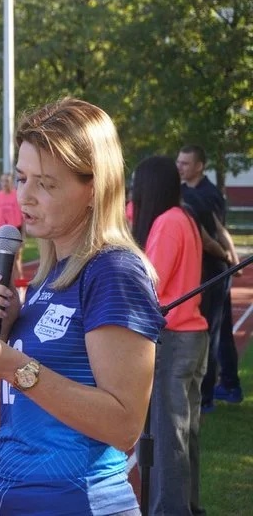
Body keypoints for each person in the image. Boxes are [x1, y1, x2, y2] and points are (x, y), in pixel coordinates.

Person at [0, 98, 165, 515]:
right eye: (22, 178)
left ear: (93, 187)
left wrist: (11, 365)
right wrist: (2, 336)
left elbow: (124, 425)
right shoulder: (48, 277)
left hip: (80, 501)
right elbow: (3, 416)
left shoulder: (114, 272)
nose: (24, 197)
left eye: (46, 183)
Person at [131, 155, 209, 516]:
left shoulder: (167, 222)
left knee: (167, 436)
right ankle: (187, 507)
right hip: (192, 336)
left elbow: (150, 281)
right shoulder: (185, 218)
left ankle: (170, 511)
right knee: (184, 432)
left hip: (175, 338)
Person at [176, 145, 244, 410]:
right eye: (178, 162)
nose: (179, 166)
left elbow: (215, 232)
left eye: (185, 163)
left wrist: (230, 260)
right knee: (220, 329)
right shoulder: (183, 191)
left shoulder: (208, 194)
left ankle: (210, 396)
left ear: (200, 166)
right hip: (209, 268)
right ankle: (229, 384)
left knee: (212, 331)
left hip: (213, 270)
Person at [0, 173, 25, 279]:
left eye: (7, 181)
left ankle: (20, 285)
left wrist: (23, 236)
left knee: (16, 260)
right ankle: (6, 285)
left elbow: (23, 219)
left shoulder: (17, 196)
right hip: (1, 233)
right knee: (2, 262)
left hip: (14, 231)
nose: (5, 183)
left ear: (11, 182)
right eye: (3, 181)